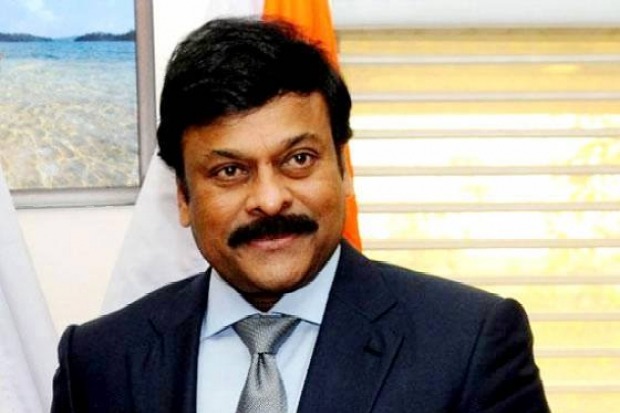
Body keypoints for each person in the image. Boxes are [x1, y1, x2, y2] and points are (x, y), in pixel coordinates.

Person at [51, 18, 550, 412]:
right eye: (230, 171)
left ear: (344, 169)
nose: (270, 200)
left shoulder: (468, 344)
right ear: (183, 197)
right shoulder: (98, 362)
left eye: (298, 160)